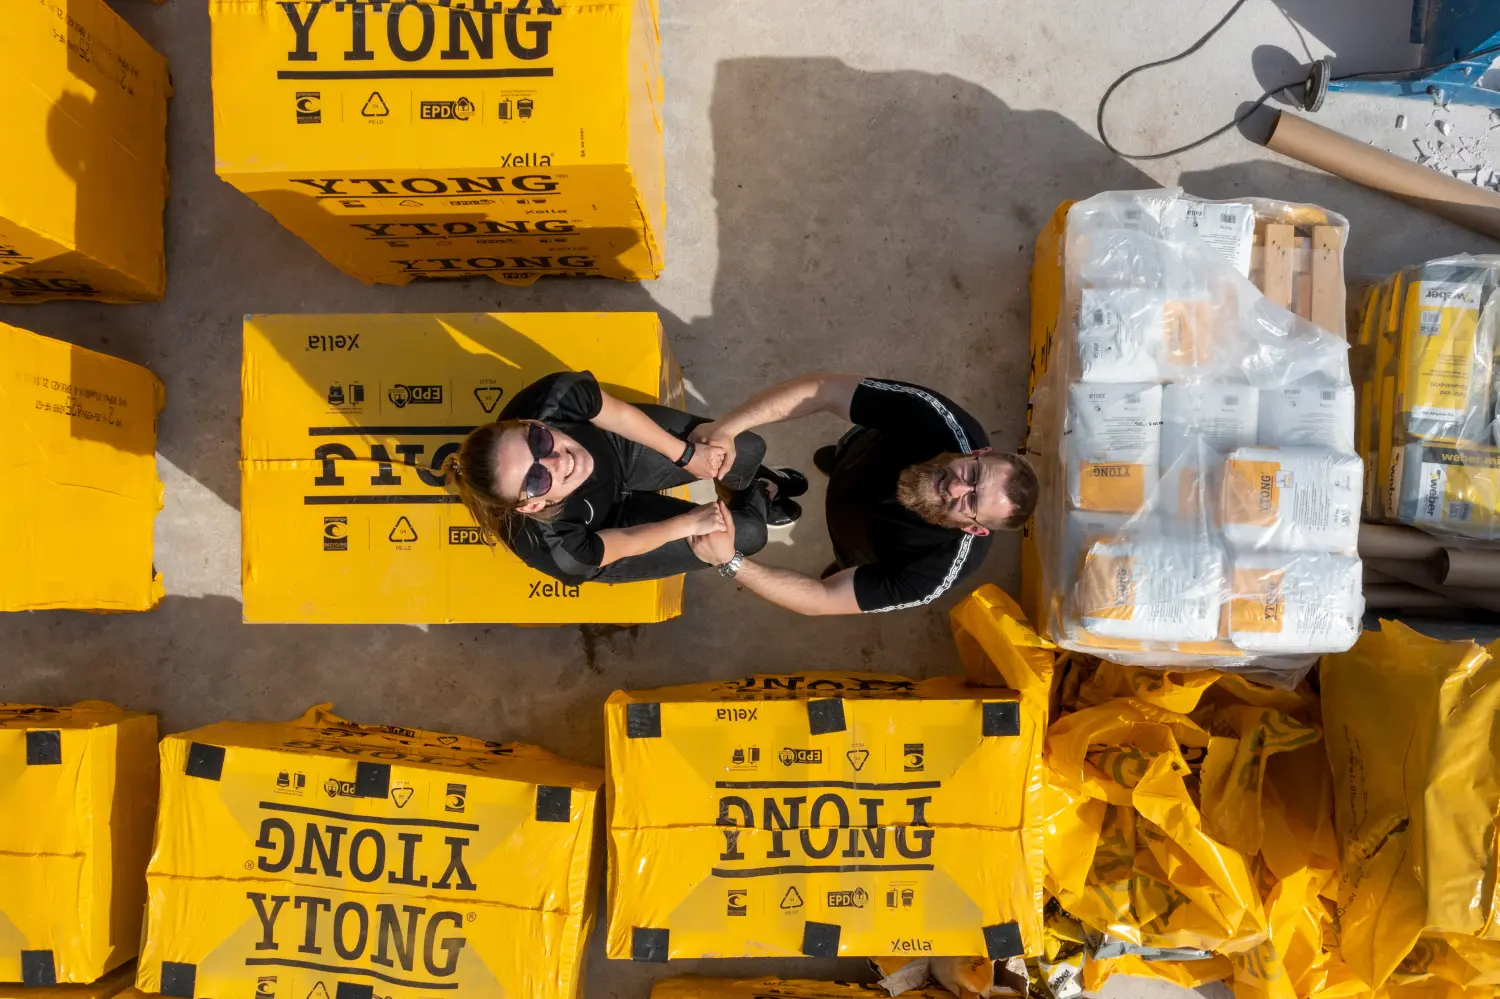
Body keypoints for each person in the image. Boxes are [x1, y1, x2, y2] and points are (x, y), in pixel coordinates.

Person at [685, 373, 1039, 615]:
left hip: (857, 542)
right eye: (973, 475)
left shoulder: (937, 569)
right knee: (836, 459)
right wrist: (727, 428)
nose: (957, 487)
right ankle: (822, 469)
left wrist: (730, 561)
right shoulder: (942, 421)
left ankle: (798, 507)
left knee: (835, 578)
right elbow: (824, 389)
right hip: (859, 459)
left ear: (975, 530)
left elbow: (823, 600)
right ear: (978, 454)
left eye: (972, 502)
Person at [445, 370, 806, 585]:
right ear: (533, 505)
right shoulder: (557, 550)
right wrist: (686, 523)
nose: (557, 461)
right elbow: (623, 544)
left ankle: (748, 487)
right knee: (748, 535)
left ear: (532, 422)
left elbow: (616, 416)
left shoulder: (555, 398)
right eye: (536, 479)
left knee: (746, 449)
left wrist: (685, 454)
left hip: (617, 451)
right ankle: (756, 501)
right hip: (612, 529)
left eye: (539, 440)